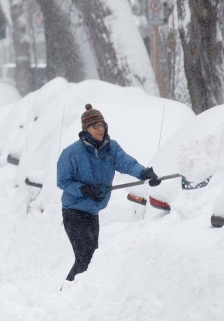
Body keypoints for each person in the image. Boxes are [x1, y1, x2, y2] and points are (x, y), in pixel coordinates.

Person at [57, 104, 161, 283]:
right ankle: (67, 294)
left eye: (102, 125)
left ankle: (76, 294)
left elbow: (127, 163)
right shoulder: (72, 153)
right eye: (95, 126)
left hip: (92, 212)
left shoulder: (111, 148)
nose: (100, 129)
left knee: (91, 258)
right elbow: (62, 181)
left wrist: (144, 174)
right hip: (74, 212)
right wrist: (84, 189)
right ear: (86, 129)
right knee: (85, 258)